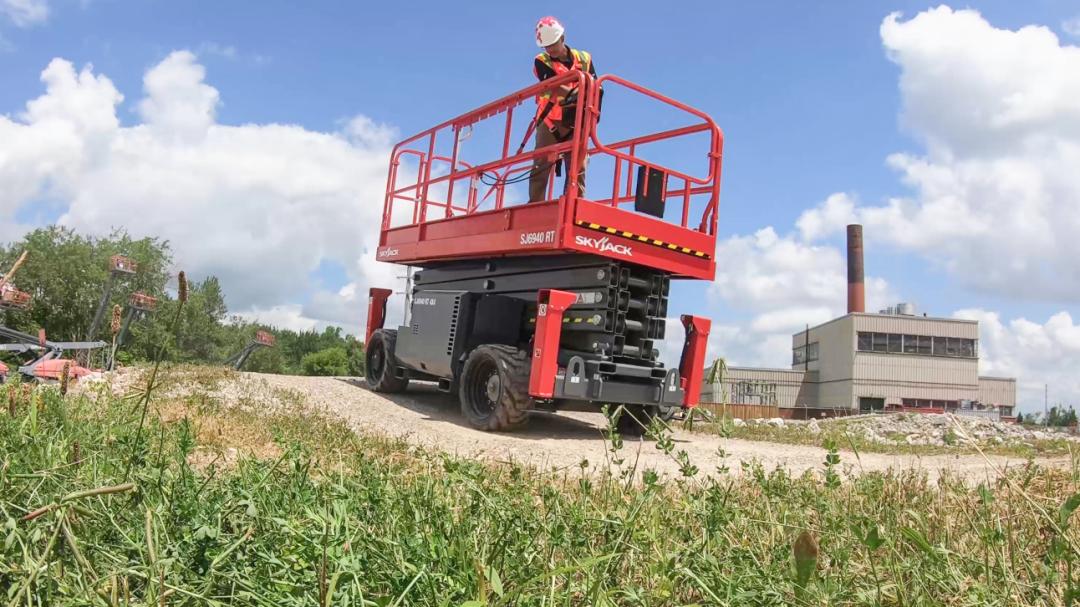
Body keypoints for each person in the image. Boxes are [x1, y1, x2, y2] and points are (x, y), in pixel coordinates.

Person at [528, 16, 596, 203]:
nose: (550, 49)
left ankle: (574, 207)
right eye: (546, 46)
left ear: (562, 38)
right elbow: (553, 86)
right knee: (540, 167)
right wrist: (580, 95)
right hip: (550, 121)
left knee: (578, 168)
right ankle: (535, 207)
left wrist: (592, 116)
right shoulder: (541, 61)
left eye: (553, 44)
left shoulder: (584, 59)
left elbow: (596, 87)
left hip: (577, 121)